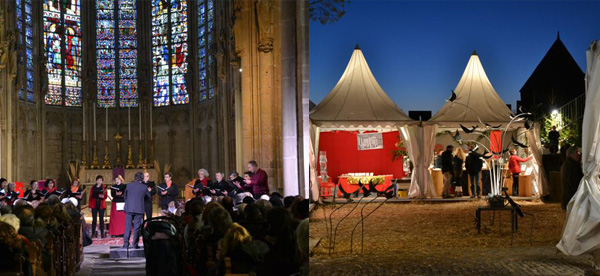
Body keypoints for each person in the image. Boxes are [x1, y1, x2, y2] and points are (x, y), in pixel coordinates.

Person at [122, 172, 151, 249]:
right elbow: (149, 197)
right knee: (136, 228)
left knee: (127, 226)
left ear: (135, 178)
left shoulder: (128, 185)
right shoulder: (144, 187)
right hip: (139, 209)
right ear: (142, 179)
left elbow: (125, 196)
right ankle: (134, 244)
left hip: (129, 208)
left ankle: (125, 244)